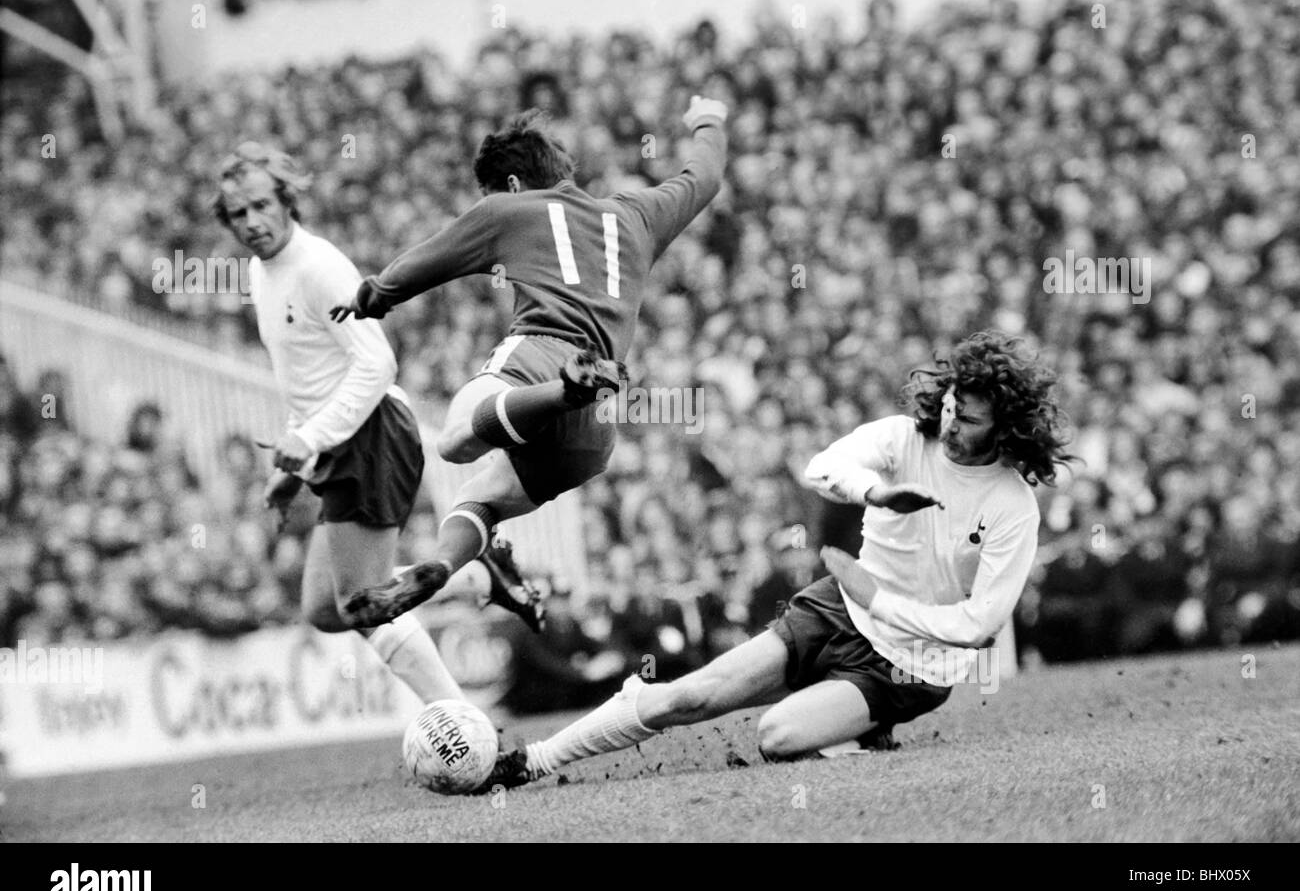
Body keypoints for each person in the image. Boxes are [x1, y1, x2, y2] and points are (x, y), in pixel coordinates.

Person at [478, 331, 1075, 790]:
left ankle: (866, 729)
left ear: (1005, 427)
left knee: (777, 736)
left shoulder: (1011, 506)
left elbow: (979, 625)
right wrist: (875, 492)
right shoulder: (902, 440)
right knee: (689, 697)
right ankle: (530, 763)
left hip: (911, 665)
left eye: (968, 419)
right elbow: (820, 468)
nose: (949, 422)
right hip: (838, 607)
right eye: (949, 406)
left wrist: (885, 604)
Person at [330, 97, 729, 631]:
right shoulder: (637, 214)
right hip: (597, 428)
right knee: (484, 498)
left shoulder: (507, 212)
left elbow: (425, 262)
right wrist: (708, 121)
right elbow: (704, 177)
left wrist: (372, 296)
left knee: (453, 441)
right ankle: (448, 566)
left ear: (514, 185)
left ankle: (564, 391)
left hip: (542, 354)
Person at [212, 141, 509, 707]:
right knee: (325, 609)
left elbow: (377, 362)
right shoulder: (260, 272)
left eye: (260, 205)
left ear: (286, 200)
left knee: (361, 602)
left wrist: (310, 439)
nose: (252, 222)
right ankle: (478, 575)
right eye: (237, 213)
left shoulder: (319, 267)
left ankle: (466, 726)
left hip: (371, 434)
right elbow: (305, 377)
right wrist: (296, 468)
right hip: (338, 445)